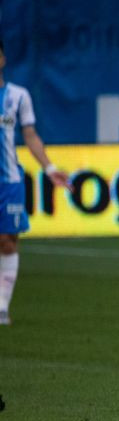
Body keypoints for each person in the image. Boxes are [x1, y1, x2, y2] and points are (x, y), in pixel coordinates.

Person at [0, 40, 73, 325]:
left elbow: (30, 135)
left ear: (3, 59)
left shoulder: (18, 96)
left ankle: (2, 306)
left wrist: (49, 167)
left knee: (7, 241)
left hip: (9, 181)